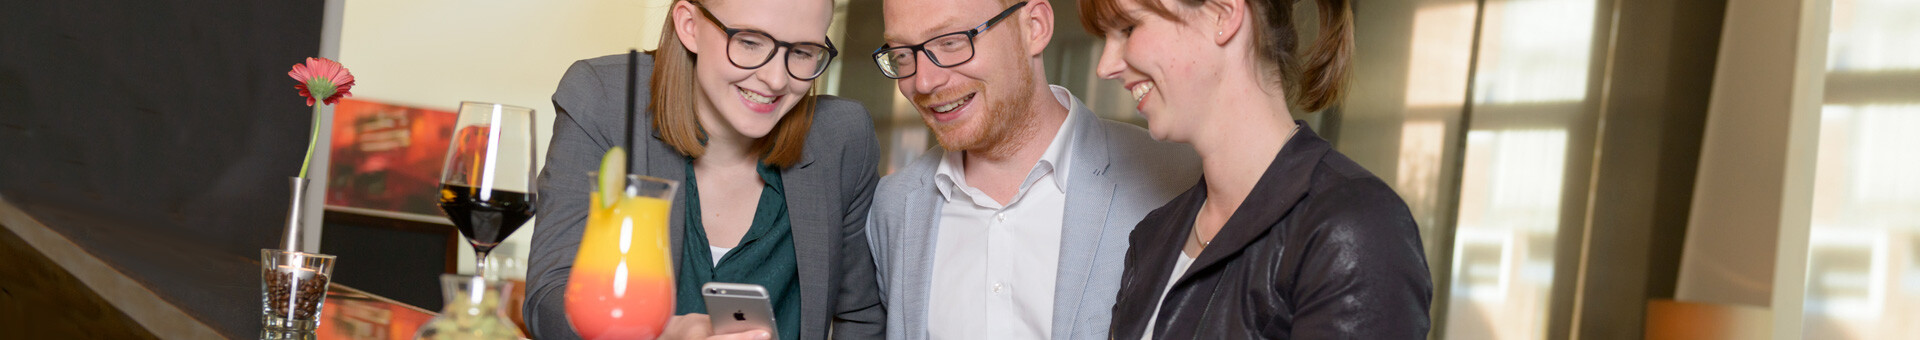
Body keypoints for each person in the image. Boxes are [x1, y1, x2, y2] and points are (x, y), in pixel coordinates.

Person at [523, 0, 885, 339]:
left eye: (804, 52)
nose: (776, 79)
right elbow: (549, 299)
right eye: (750, 42)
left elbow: (862, 317)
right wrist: (664, 334)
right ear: (689, 25)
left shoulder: (843, 139)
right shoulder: (604, 97)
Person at [1077, 0, 1434, 338]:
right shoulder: (1152, 237)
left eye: (1128, 27)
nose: (1104, 66)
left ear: (1223, 12)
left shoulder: (1354, 228)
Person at [863, 0, 1201, 338]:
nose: (923, 82)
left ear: (1034, 27)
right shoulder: (893, 208)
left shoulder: (1177, 178)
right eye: (903, 54)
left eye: (951, 42)